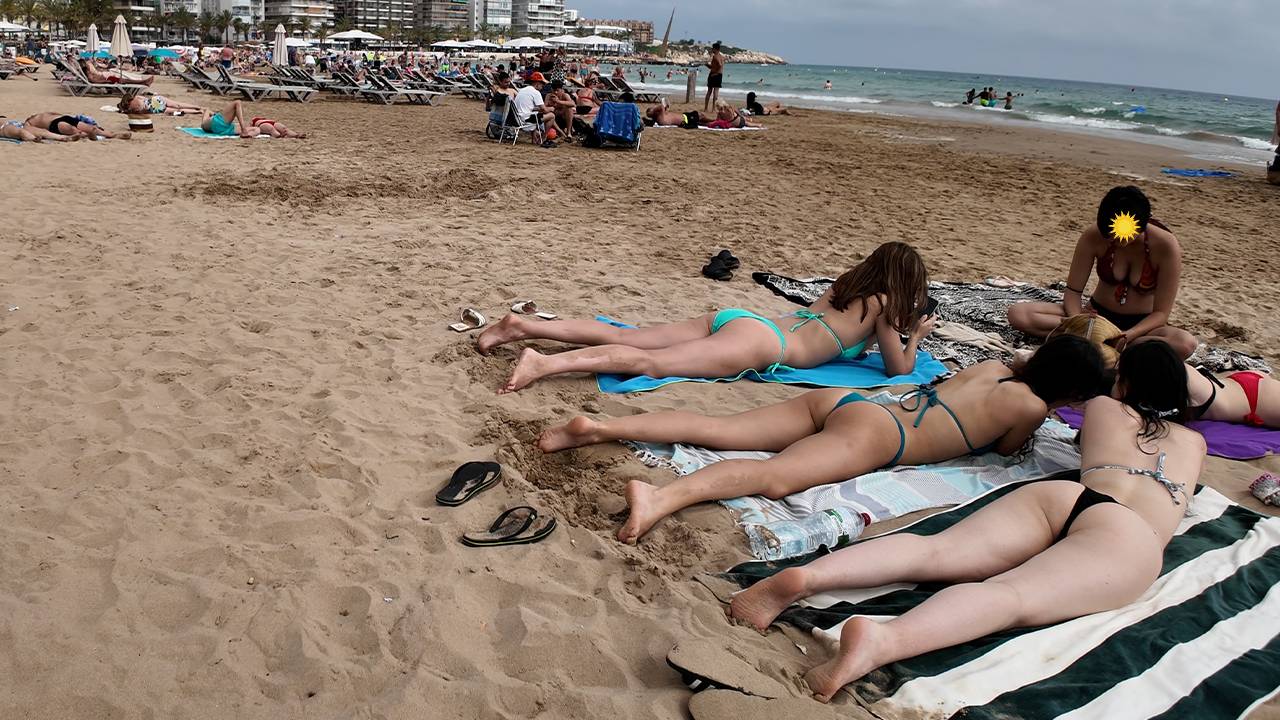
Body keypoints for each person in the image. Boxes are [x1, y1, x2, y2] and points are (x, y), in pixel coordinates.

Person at [727, 339, 1203, 702]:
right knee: (1010, 595)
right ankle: (882, 639)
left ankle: (807, 576)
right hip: (1129, 536)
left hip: (1071, 496)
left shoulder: (1103, 408)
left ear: (1124, 385)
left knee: (936, 550)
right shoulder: (1195, 444)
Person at [541, 335, 1110, 544]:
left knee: (723, 430)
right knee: (773, 475)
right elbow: (1006, 452)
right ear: (1066, 390)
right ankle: (661, 498)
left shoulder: (994, 369)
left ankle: (598, 427)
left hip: (858, 405)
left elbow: (1020, 357)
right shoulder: (1032, 406)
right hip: (882, 437)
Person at [482, 242, 935, 395]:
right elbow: (899, 369)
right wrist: (914, 333)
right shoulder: (880, 307)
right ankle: (543, 362)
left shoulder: (844, 287)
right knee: (652, 363)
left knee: (635, 337)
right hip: (765, 346)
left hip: (745, 320)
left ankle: (522, 325)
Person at [1007, 186, 1197, 358]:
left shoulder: (1165, 246)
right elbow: (1073, 291)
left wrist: (1128, 335)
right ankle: (1097, 341)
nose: (1118, 240)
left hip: (1139, 327)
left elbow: (1161, 313)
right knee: (1019, 313)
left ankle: (1110, 345)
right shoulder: (1094, 236)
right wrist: (1078, 321)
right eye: (1111, 235)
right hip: (1095, 315)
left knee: (1185, 344)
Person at [512, 71, 555, 142]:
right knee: (551, 116)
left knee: (535, 115)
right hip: (525, 119)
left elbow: (529, 107)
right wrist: (551, 108)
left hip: (517, 118)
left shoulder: (522, 90)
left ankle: (534, 138)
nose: (542, 86)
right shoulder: (536, 92)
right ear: (537, 83)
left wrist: (539, 109)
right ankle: (544, 137)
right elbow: (544, 110)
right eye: (542, 84)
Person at [25, 112, 130, 140]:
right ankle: (90, 136)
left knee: (93, 128)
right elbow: (29, 129)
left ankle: (114, 135)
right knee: (75, 131)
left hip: (64, 117)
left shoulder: (41, 114)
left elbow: (55, 112)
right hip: (54, 124)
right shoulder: (29, 122)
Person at [79, 58, 154, 87]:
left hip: (108, 77)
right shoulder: (89, 73)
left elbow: (95, 75)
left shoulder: (88, 71)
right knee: (125, 80)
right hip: (108, 78)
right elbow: (94, 78)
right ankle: (143, 82)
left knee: (125, 79)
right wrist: (105, 80)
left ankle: (142, 81)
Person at [0, 116, 81, 143]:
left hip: (13, 123)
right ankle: (35, 139)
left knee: (43, 131)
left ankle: (63, 138)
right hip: (3, 128)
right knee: (21, 132)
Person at [117, 93, 207, 116]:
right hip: (156, 100)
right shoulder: (137, 97)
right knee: (178, 104)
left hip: (155, 109)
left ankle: (198, 112)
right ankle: (197, 107)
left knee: (178, 110)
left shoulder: (132, 110)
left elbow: (144, 112)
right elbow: (146, 98)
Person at [704, 41, 725, 112]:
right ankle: (713, 109)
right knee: (716, 93)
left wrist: (715, 73)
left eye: (713, 48)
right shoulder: (722, 57)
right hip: (719, 75)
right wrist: (707, 65)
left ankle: (706, 108)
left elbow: (719, 65)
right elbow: (715, 67)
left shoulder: (715, 56)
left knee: (709, 92)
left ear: (715, 49)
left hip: (714, 75)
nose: (712, 50)